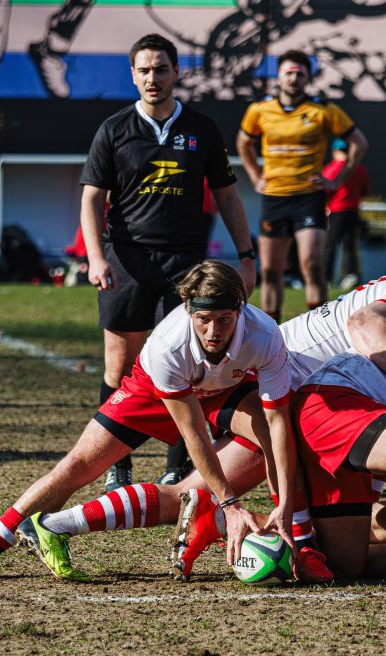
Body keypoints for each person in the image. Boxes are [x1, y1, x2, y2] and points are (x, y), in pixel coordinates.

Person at [0, 259, 297, 582]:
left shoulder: (265, 335)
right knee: (78, 465)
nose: (213, 331)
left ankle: (297, 532)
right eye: (203, 319)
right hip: (154, 388)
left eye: (224, 320)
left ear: (241, 309)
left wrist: (286, 505)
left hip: (227, 388)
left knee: (271, 430)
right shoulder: (168, 345)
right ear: (188, 310)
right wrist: (230, 504)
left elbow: (278, 421)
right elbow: (194, 434)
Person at [81, 33, 256, 491]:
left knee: (188, 364)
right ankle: (117, 465)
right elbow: (92, 198)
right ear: (132, 75)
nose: (152, 78)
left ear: (177, 72)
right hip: (126, 261)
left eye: (161, 69)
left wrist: (247, 256)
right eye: (144, 70)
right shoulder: (113, 129)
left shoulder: (202, 129)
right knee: (119, 367)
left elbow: (228, 197)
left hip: (186, 265)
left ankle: (179, 465)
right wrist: (96, 257)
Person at [236, 49, 368, 322]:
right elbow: (243, 142)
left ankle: (318, 329)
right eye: (288, 73)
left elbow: (359, 143)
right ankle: (273, 333)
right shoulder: (260, 110)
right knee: (270, 271)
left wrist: (337, 179)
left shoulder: (323, 110)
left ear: (308, 78)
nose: (293, 78)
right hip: (274, 197)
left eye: (299, 73)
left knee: (313, 264)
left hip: (309, 197)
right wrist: (255, 176)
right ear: (279, 76)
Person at [292, 350, 386, 579]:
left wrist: (373, 493)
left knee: (345, 566)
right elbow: (364, 329)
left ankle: (263, 529)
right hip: (333, 400)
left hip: (361, 413)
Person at [322, 138, 370, 290]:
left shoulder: (331, 169)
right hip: (353, 211)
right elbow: (365, 189)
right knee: (350, 245)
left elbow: (324, 191)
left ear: (335, 151)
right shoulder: (359, 168)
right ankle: (352, 275)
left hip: (336, 211)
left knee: (331, 245)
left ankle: (326, 278)